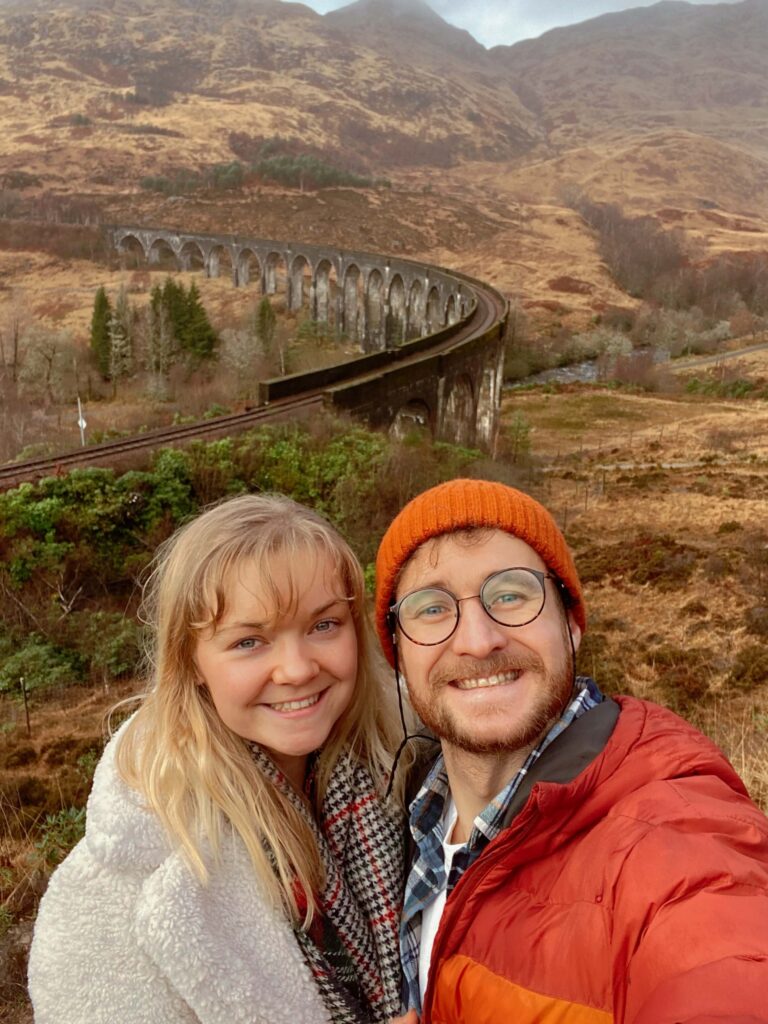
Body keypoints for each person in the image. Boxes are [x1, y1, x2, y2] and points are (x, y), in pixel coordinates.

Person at [373, 477, 768, 1024]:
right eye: (432, 609)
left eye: (511, 594)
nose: (477, 640)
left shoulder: (673, 840)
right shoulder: (400, 818)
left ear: (572, 624)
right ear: (396, 653)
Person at [29, 493, 408, 1024]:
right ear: (192, 663)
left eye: (324, 625)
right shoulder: (115, 889)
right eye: (250, 641)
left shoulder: (414, 767)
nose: (296, 669)